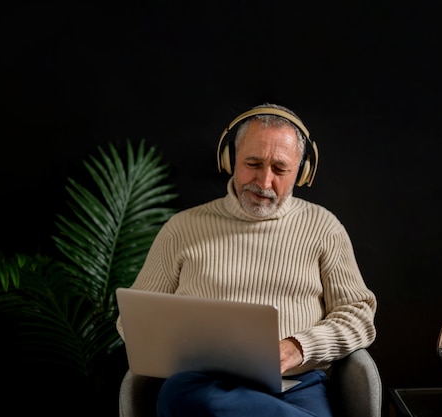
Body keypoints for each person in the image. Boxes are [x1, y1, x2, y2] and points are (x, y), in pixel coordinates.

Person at [116, 103, 377, 417]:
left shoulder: (324, 228)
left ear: (303, 172)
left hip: (298, 386)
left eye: (280, 169)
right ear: (229, 159)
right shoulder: (182, 229)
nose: (264, 182)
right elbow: (135, 318)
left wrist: (297, 347)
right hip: (201, 385)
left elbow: (359, 315)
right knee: (186, 396)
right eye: (252, 163)